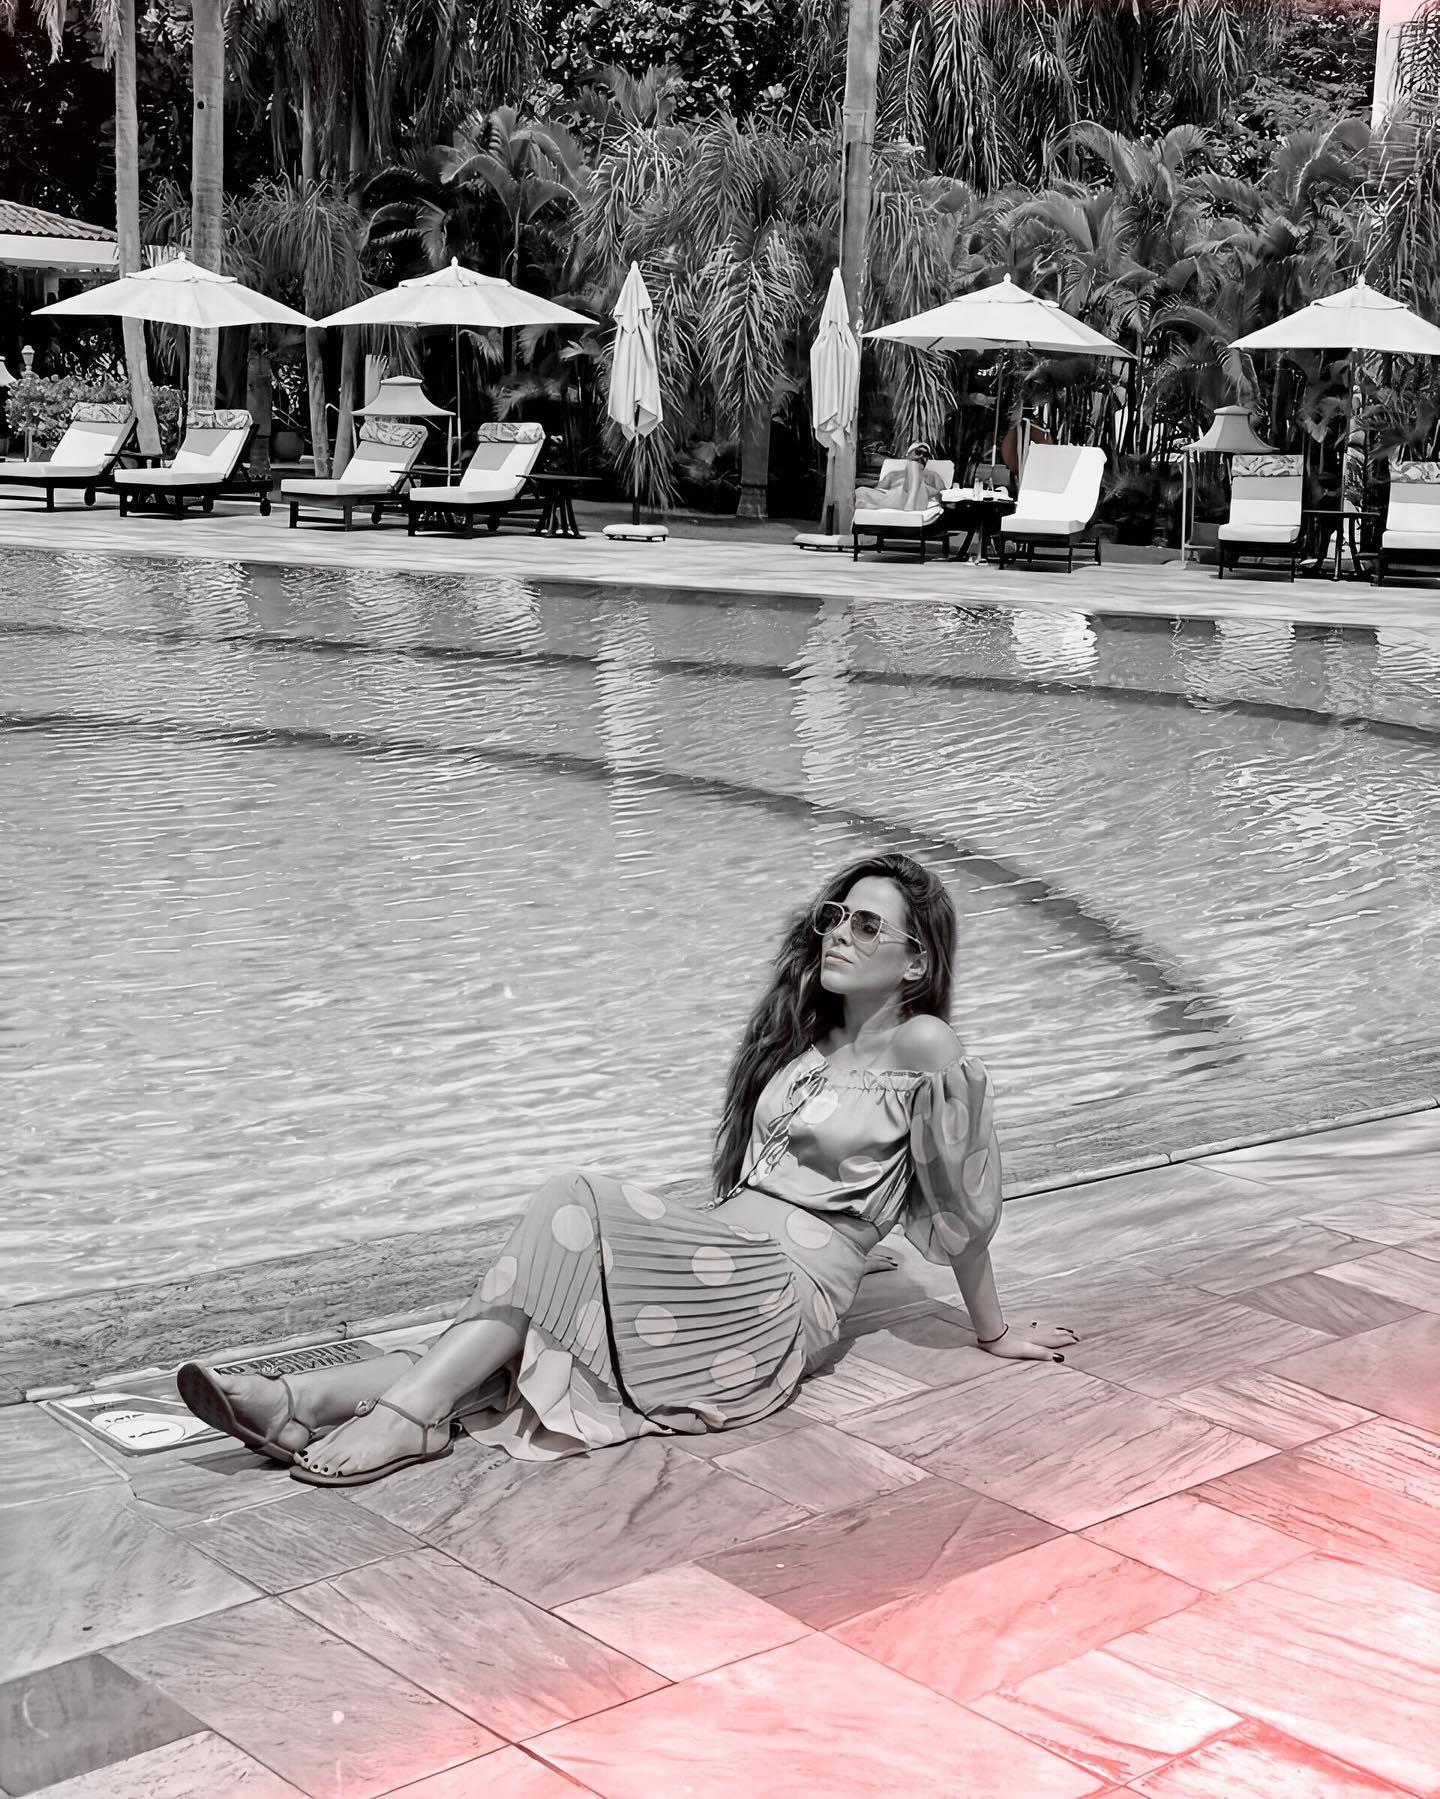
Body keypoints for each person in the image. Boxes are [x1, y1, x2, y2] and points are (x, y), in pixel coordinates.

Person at [177, 854, 1076, 1488]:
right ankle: (304, 1400)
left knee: (573, 1199)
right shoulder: (809, 1038)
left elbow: (964, 1200)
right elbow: (781, 1173)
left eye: (867, 923)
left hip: (774, 1302)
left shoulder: (924, 1044)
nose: (840, 932)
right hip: (724, 1260)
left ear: (916, 959)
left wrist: (992, 1329)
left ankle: (403, 1418)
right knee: (542, 1308)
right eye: (834, 915)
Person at [854, 441, 947, 512]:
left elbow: (943, 495)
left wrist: (927, 489)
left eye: (926, 455)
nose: (922, 456)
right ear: (908, 455)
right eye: (918, 452)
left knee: (913, 466)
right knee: (860, 491)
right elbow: (879, 491)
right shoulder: (893, 474)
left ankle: (909, 507)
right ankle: (882, 509)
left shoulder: (933, 475)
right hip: (894, 501)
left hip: (917, 501)